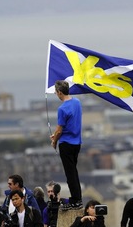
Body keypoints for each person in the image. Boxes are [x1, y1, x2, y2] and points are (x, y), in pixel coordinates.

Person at [50, 80, 83, 211]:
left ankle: (75, 200)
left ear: (59, 92)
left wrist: (54, 141)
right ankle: (77, 198)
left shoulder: (62, 108)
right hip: (76, 143)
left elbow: (59, 130)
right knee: (74, 172)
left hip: (66, 144)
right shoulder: (77, 102)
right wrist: (56, 135)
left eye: (56, 93)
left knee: (70, 174)